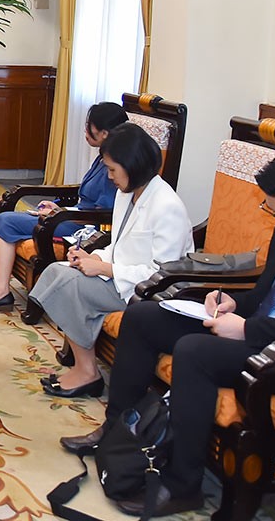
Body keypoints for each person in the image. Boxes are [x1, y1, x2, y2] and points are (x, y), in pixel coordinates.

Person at [59, 149, 275, 516]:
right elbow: (266, 293)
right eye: (274, 213)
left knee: (195, 352)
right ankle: (118, 430)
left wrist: (248, 329)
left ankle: (182, 485)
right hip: (260, 332)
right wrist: (232, 304)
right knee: (144, 317)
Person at [28, 122, 193, 398]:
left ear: (134, 165)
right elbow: (119, 246)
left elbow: (164, 274)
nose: (109, 176)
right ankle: (84, 367)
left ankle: (87, 373)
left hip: (145, 294)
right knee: (60, 270)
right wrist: (91, 256)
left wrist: (104, 268)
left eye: (113, 169)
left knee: (70, 285)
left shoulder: (167, 207)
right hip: (118, 277)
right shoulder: (126, 194)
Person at [0, 102, 129, 310]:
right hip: (72, 217)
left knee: (7, 221)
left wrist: (60, 212)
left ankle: (0, 291)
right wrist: (57, 205)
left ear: (105, 133)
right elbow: (82, 194)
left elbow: (100, 211)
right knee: (5, 222)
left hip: (82, 227)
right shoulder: (104, 157)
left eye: (90, 125)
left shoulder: (114, 166)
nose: (85, 130)